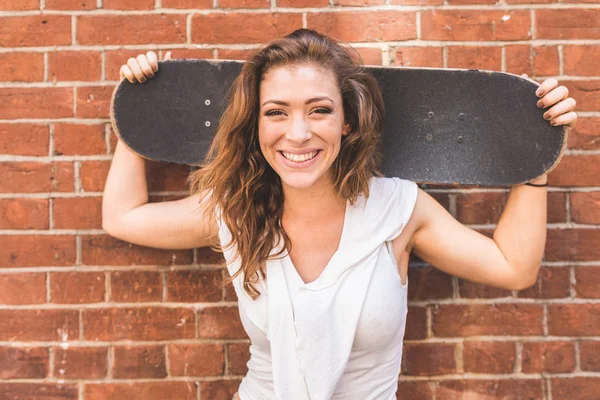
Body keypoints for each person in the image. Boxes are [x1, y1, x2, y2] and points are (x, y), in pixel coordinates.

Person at [103, 29, 577, 400]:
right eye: (276, 112)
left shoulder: (396, 208)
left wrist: (533, 157)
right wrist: (139, 119)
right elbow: (122, 217)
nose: (298, 133)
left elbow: (513, 266)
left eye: (319, 110)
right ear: (256, 123)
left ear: (345, 121)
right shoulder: (236, 208)